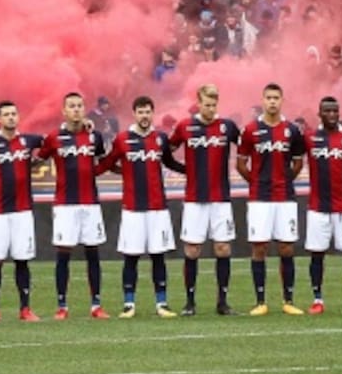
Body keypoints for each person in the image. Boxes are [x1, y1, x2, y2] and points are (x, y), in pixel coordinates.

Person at [102, 95, 184, 318]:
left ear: (152, 113)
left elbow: (170, 162)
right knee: (131, 257)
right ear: (134, 114)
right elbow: (108, 163)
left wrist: (191, 171)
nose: (145, 116)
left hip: (158, 208)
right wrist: (85, 172)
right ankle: (129, 305)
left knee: (158, 257)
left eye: (148, 111)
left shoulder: (160, 139)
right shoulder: (123, 140)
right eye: (141, 112)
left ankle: (162, 304)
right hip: (133, 209)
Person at [34, 92, 111, 320]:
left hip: (90, 204)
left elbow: (100, 158)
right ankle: (62, 306)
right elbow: (40, 156)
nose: (76, 109)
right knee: (63, 254)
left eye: (79, 105)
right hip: (65, 204)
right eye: (71, 106)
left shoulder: (94, 137)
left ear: (84, 109)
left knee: (93, 253)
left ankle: (96, 305)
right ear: (64, 111)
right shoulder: (54, 138)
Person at [169, 84, 242, 316]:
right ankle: (190, 302)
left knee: (222, 248)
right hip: (194, 198)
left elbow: (247, 146)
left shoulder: (227, 127)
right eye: (206, 104)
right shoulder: (185, 126)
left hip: (221, 197)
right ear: (198, 103)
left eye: (213, 105)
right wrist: (185, 169)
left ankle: (222, 302)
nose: (210, 109)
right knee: (192, 250)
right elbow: (166, 152)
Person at [237, 82, 306, 316]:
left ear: (282, 100)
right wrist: (256, 182)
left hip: (285, 196)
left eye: (276, 97)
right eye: (269, 97)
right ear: (263, 100)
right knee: (259, 247)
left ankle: (288, 300)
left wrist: (287, 180)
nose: (272, 101)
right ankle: (260, 302)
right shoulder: (250, 130)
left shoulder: (293, 131)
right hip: (260, 198)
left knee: (286, 247)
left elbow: (298, 162)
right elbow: (241, 163)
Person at [0, 101, 43, 323]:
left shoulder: (28, 141)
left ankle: (25, 309)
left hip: (22, 211)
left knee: (22, 260)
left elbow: (52, 143)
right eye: (6, 115)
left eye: (14, 114)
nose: (11, 118)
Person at [304, 96, 342, 314]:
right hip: (318, 207)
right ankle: (318, 300)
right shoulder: (309, 138)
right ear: (320, 113)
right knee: (317, 254)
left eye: (335, 111)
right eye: (327, 111)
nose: (332, 115)